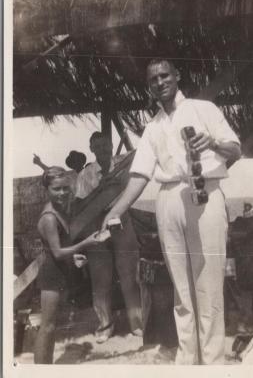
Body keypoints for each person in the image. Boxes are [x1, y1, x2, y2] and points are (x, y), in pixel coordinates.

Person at [102, 59, 241, 364]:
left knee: (208, 285)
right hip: (168, 199)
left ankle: (214, 362)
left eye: (165, 75)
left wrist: (214, 143)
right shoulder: (152, 127)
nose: (160, 81)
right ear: (148, 86)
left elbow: (235, 150)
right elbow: (139, 176)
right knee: (181, 287)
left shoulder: (204, 109)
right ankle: (188, 360)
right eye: (153, 79)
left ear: (177, 76)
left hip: (205, 194)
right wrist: (113, 213)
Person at [76, 132, 142, 343]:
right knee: (100, 280)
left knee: (130, 276)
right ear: (91, 149)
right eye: (98, 147)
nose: (103, 150)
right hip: (97, 229)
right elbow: (80, 205)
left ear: (112, 146)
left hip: (123, 224)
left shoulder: (125, 167)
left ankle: (137, 323)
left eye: (106, 146)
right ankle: (105, 325)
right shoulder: (85, 175)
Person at [34, 166, 99, 364]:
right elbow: (57, 252)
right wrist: (86, 243)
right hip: (52, 275)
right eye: (56, 189)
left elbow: (62, 249)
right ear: (47, 190)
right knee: (47, 326)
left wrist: (74, 257)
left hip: (60, 272)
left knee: (52, 326)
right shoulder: (50, 218)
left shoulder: (60, 210)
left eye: (65, 188)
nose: (62, 193)